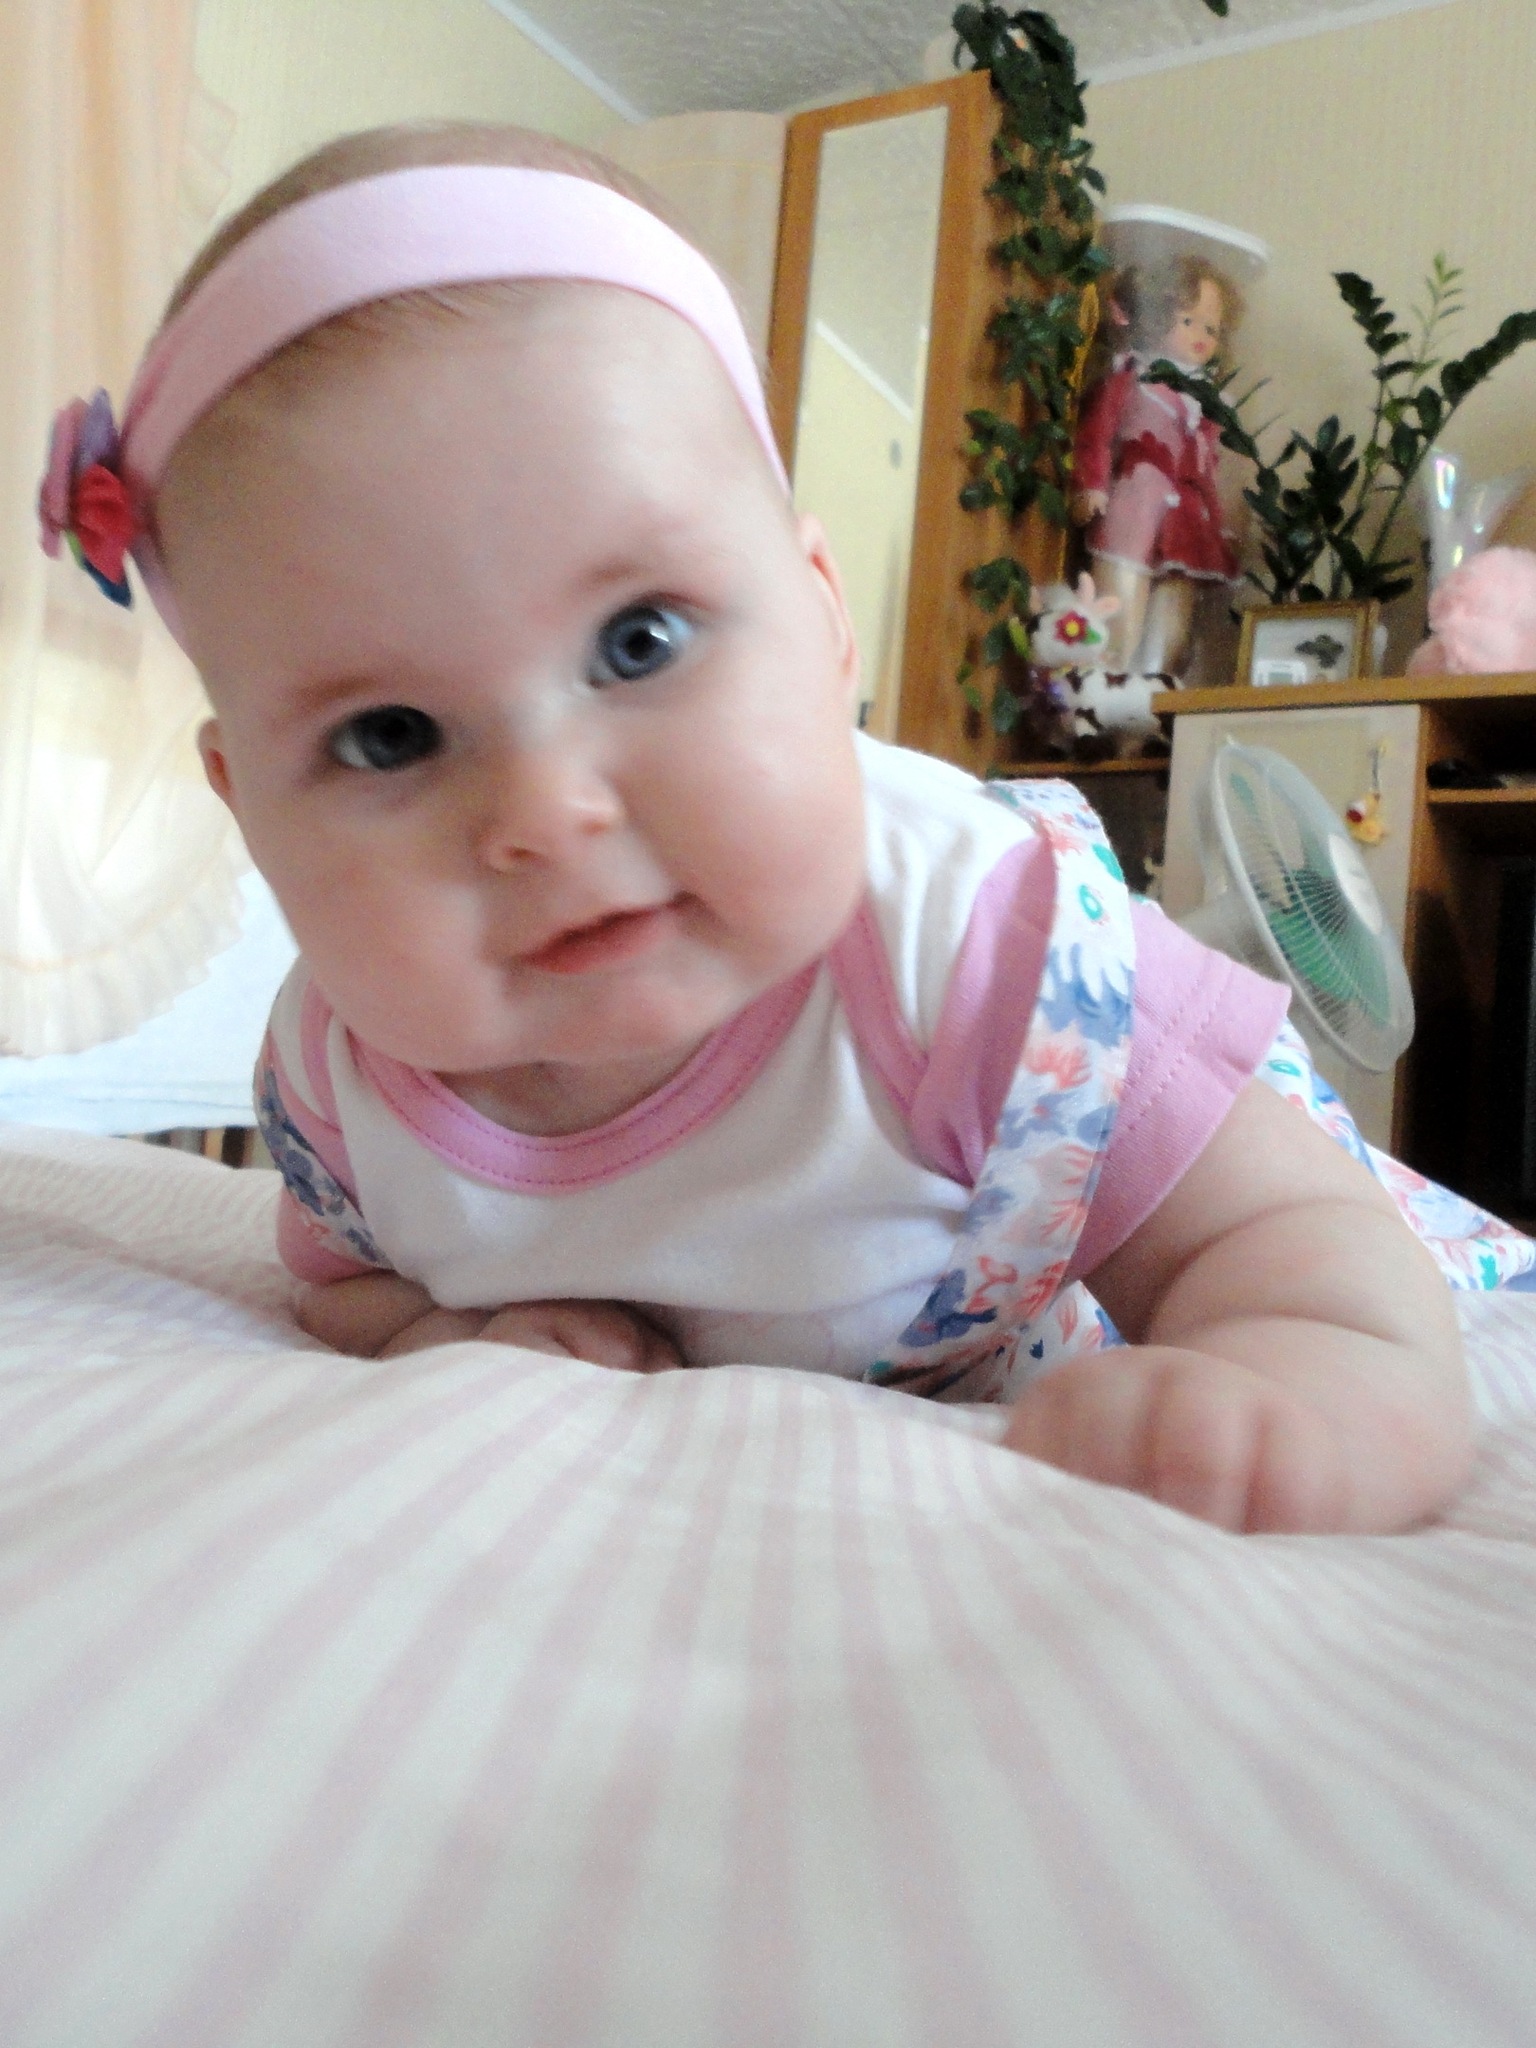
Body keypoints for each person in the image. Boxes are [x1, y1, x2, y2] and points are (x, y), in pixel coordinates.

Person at [38, 124, 1523, 1536]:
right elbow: (342, 1282)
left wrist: (1298, 1396)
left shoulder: (972, 951)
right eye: (389, 736)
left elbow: (1293, 1250)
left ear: (822, 625)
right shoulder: (337, 1086)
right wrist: (450, 1330)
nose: (547, 811)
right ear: (249, 810)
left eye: (638, 641)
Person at [1070, 254, 1243, 678]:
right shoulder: (1132, 377)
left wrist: (1221, 524)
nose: (1201, 336)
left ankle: (1153, 688)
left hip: (1186, 519)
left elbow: (1209, 467)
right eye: (1188, 321)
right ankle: (1104, 682)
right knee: (1120, 598)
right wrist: (1092, 483)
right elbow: (1097, 433)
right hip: (1136, 501)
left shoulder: (1207, 402)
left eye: (1211, 329)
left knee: (1173, 617)